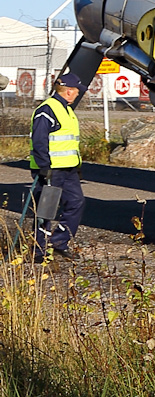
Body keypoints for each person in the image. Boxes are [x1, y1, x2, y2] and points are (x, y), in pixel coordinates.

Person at [29, 73, 86, 260]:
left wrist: (76, 165)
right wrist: (44, 167)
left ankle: (59, 241)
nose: (78, 93)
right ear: (69, 91)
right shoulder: (47, 110)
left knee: (76, 202)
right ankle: (39, 250)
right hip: (51, 170)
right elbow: (39, 141)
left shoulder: (67, 109)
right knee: (46, 209)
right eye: (76, 90)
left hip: (68, 169)